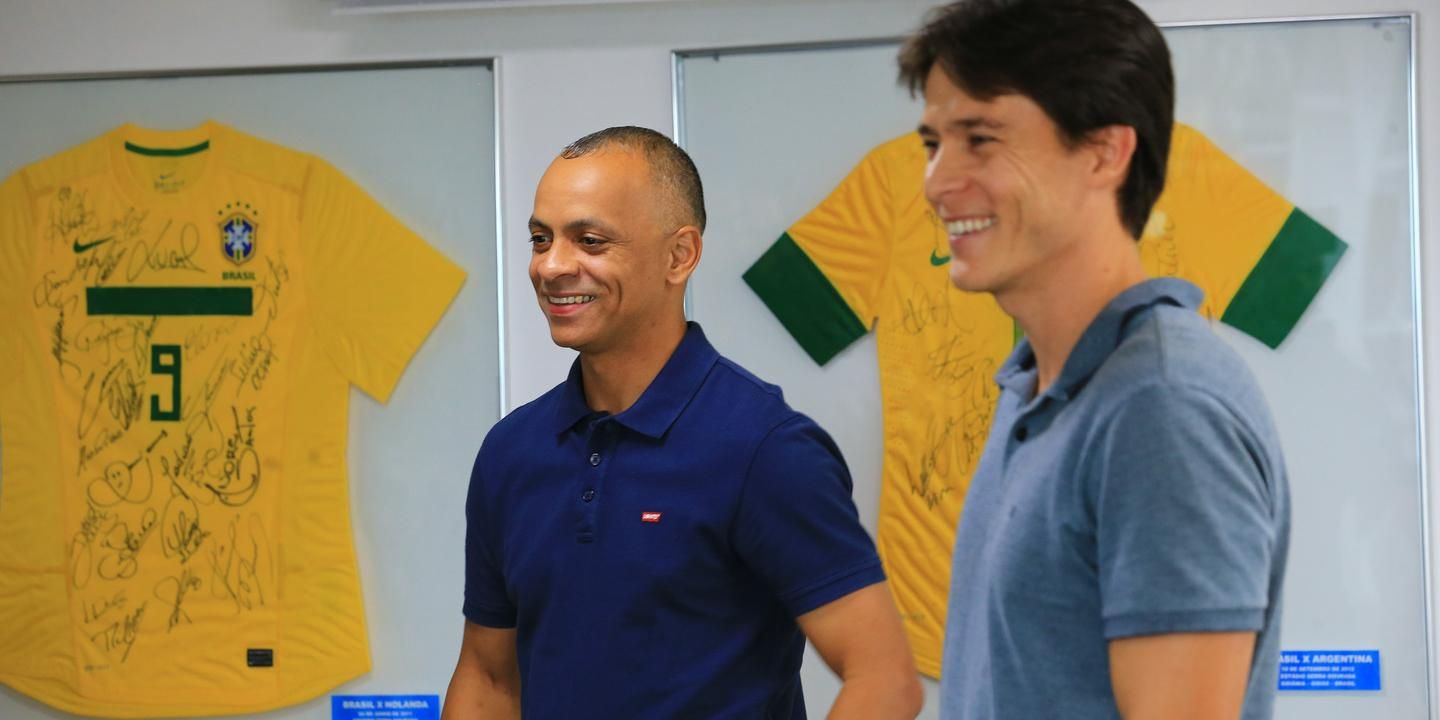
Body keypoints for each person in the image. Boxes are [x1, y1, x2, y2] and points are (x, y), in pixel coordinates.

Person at [441, 126, 923, 719]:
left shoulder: (765, 448)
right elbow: (489, 681)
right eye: (541, 240)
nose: (552, 266)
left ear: (680, 255)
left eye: (589, 240)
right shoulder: (510, 453)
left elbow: (884, 680)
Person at [899, 1, 1291, 718]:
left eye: (980, 138)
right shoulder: (1034, 387)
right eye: (934, 143)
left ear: (1106, 152)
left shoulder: (1162, 407)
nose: (937, 181)